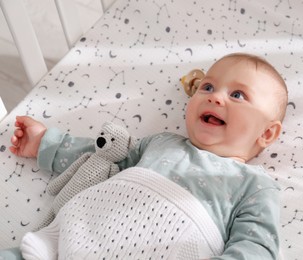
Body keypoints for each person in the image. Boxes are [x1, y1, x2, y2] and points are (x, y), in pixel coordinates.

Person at [4, 53, 288, 260]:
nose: (215, 97)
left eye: (238, 95)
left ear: (266, 133)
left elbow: (257, 246)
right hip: (76, 236)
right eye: (208, 87)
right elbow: (102, 157)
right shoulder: (162, 143)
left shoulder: (252, 185)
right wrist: (45, 143)